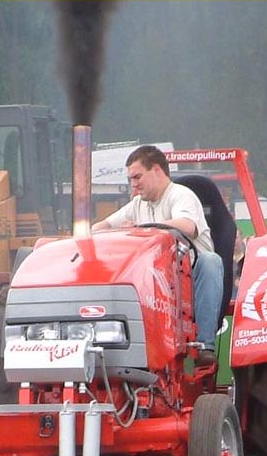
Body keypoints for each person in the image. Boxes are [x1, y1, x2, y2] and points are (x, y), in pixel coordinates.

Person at [92, 145, 224, 367]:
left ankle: (204, 345)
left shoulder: (181, 196)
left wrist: (140, 228)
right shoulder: (137, 204)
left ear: (156, 170)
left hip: (189, 281)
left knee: (211, 261)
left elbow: (187, 225)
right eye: (130, 179)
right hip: (158, 282)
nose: (133, 185)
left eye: (137, 177)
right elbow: (101, 227)